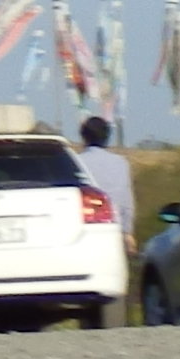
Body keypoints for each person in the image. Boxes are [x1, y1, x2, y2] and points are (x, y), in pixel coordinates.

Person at [74, 113, 135, 328]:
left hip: (84, 228)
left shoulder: (77, 163)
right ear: (107, 137)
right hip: (113, 228)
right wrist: (128, 232)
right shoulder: (121, 164)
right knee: (114, 279)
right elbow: (126, 200)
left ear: (83, 136)